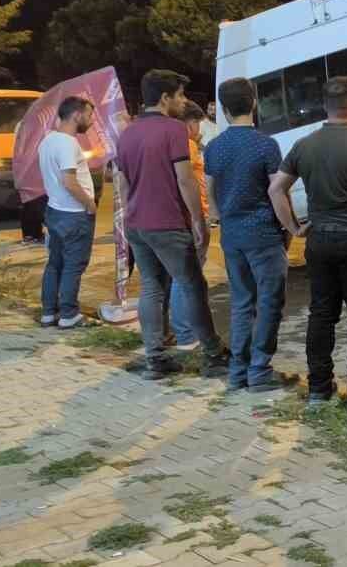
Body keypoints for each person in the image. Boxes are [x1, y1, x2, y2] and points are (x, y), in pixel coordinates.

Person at [270, 76, 347, 412]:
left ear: (325, 107)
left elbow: (276, 189)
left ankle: (319, 387)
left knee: (321, 313)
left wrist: (294, 227)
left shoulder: (304, 146)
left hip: (320, 240)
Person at [113, 69, 228, 381]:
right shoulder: (174, 130)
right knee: (192, 285)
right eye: (179, 95)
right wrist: (199, 221)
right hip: (167, 224)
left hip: (137, 224)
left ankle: (155, 358)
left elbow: (122, 184)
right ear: (165, 98)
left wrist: (131, 216)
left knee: (152, 287)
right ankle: (213, 353)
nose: (184, 101)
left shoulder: (128, 134)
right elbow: (185, 180)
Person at [203, 78, 288, 394]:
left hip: (232, 236)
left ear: (224, 109)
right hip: (263, 234)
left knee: (242, 303)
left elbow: (211, 194)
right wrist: (291, 227)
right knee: (269, 302)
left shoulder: (214, 147)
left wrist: (220, 218)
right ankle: (259, 370)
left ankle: (238, 371)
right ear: (253, 103)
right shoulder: (266, 145)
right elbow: (277, 193)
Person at [37, 96, 99, 329]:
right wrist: (89, 204)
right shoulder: (67, 143)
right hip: (74, 214)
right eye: (89, 115)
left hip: (55, 211)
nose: (91, 121)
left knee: (55, 263)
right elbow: (69, 181)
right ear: (76, 115)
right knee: (74, 265)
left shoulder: (48, 140)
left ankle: (48, 312)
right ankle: (69, 314)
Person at [167, 101, 212, 347]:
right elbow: (189, 182)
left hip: (178, 216)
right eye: (197, 124)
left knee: (181, 276)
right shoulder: (187, 145)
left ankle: (183, 329)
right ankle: (185, 333)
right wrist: (198, 219)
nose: (198, 129)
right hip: (193, 216)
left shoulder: (175, 143)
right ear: (190, 123)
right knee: (186, 277)